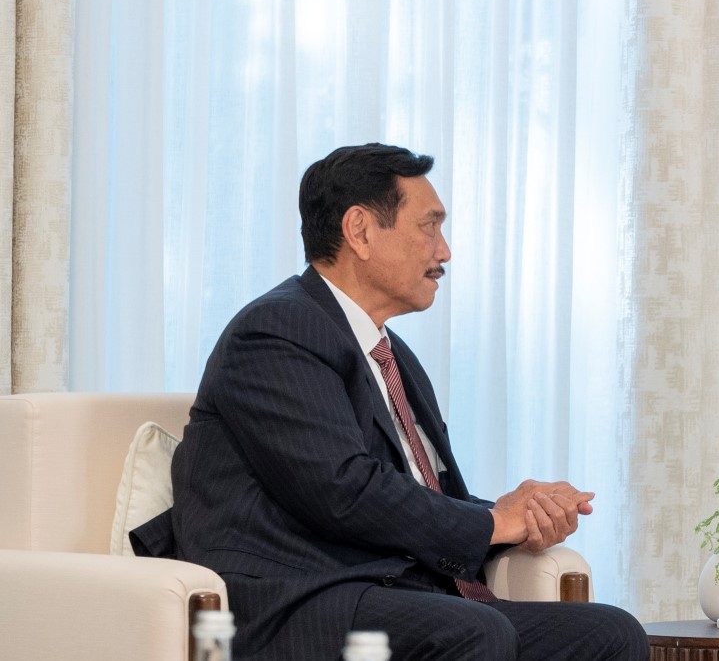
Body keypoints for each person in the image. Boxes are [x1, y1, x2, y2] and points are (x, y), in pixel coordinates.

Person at [131, 143, 647, 661]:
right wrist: (494, 523)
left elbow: (421, 493)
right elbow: (343, 492)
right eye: (429, 226)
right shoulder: (275, 332)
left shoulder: (388, 352)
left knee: (611, 634)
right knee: (473, 632)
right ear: (360, 230)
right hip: (296, 599)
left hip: (389, 592)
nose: (444, 252)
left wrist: (519, 515)